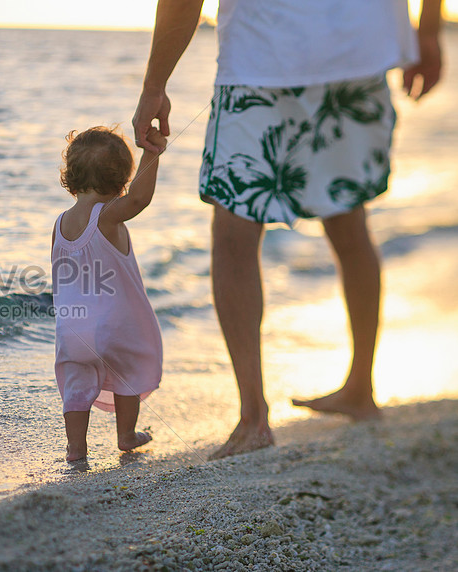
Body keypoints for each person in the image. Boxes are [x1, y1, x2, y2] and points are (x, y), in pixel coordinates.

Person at [133, 0, 443, 460]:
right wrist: (427, 30)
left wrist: (155, 83)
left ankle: (254, 417)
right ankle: (360, 388)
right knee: (347, 214)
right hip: (359, 48)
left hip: (265, 54)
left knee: (234, 228)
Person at [52, 126, 167, 462]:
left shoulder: (61, 223)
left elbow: (61, 277)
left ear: (71, 176)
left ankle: (76, 449)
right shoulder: (107, 217)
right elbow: (139, 200)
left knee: (76, 385)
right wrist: (152, 154)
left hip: (72, 328)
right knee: (128, 370)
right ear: (120, 181)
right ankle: (126, 434)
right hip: (114, 325)